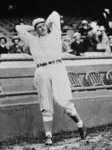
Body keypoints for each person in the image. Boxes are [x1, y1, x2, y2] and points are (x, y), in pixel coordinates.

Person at [15, 11, 86, 145]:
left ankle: (80, 124)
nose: (42, 28)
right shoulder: (32, 40)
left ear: (47, 26)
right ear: (35, 30)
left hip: (57, 68)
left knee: (65, 101)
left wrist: (43, 23)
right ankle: (49, 136)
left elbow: (55, 15)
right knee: (45, 104)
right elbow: (19, 28)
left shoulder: (55, 34)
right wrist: (34, 26)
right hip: (41, 70)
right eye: (39, 28)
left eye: (43, 26)